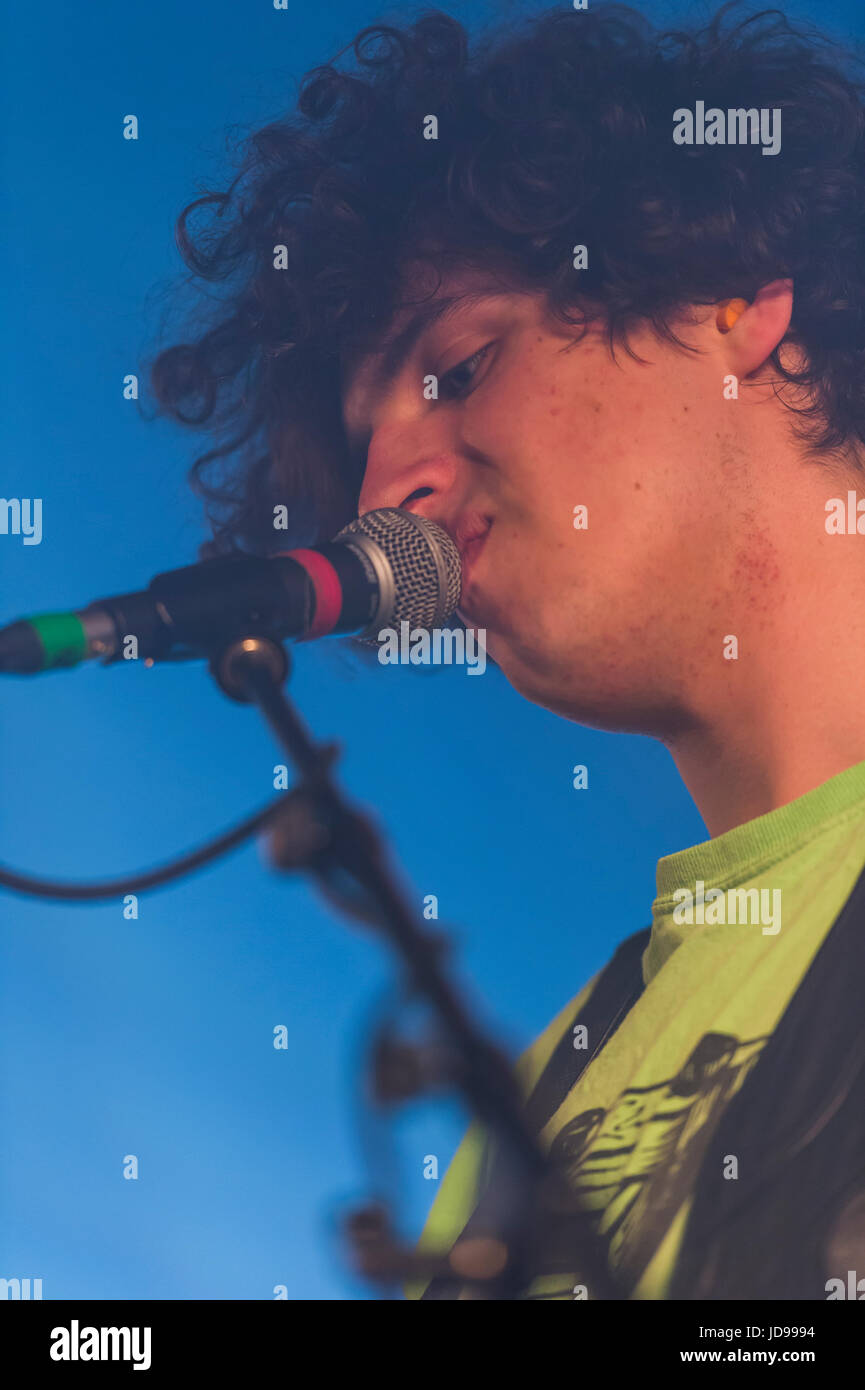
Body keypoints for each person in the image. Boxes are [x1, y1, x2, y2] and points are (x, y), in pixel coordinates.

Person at [150, 2, 865, 1299]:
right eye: (361, 459)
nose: (389, 495)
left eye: (464, 364)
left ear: (730, 297)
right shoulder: (535, 1100)